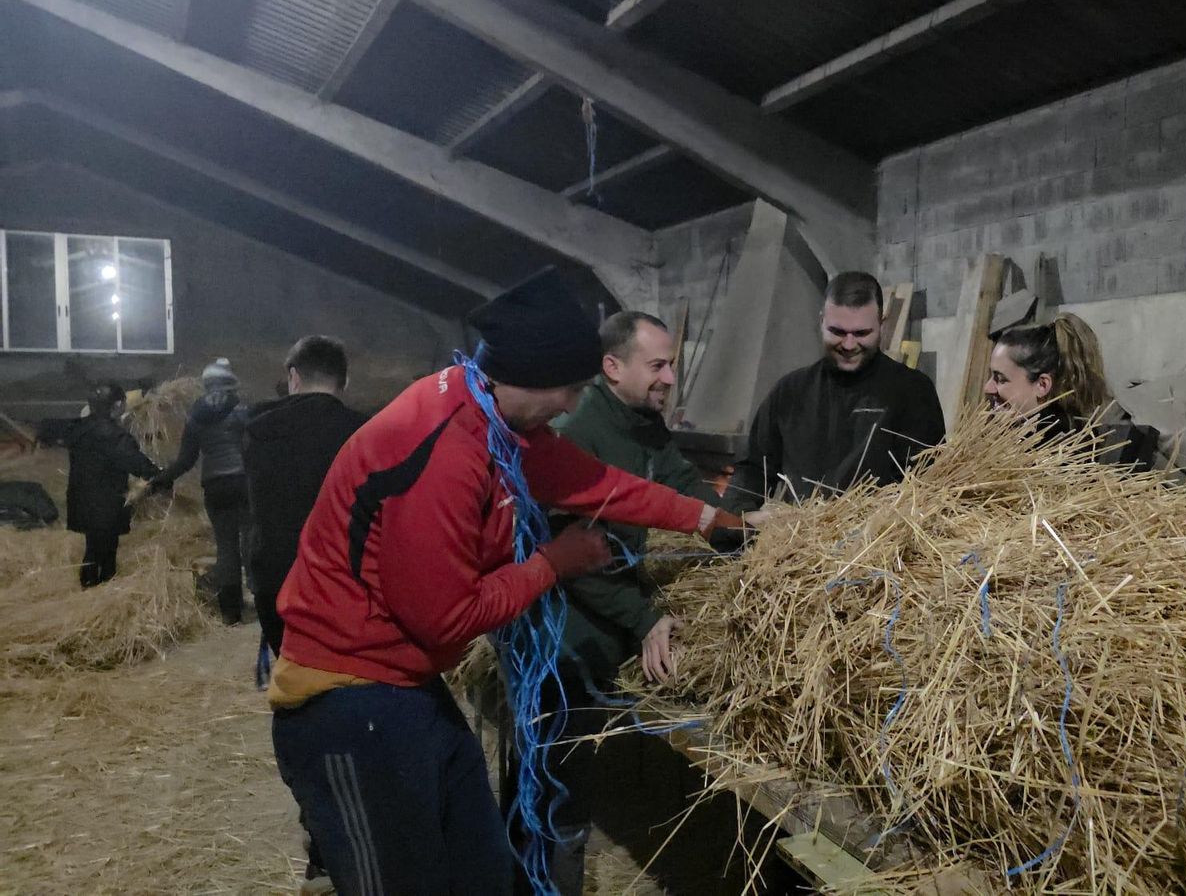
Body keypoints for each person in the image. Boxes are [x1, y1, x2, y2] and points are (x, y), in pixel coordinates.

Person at [267, 278, 748, 896]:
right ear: (530, 377)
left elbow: (597, 483)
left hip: (406, 683)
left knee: (484, 869)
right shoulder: (443, 453)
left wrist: (707, 518)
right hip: (348, 697)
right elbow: (446, 618)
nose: (572, 406)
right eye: (571, 389)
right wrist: (553, 563)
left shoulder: (491, 416)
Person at [541, 310, 721, 894]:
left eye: (671, 364)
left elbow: (683, 484)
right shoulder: (578, 433)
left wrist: (748, 529)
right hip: (567, 631)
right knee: (559, 773)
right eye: (658, 365)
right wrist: (644, 619)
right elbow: (572, 556)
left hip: (610, 610)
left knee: (584, 760)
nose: (670, 377)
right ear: (613, 367)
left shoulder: (643, 422)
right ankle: (549, 881)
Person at [725, 271, 945, 512]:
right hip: (799, 533)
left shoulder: (913, 392)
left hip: (878, 533)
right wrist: (738, 516)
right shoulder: (790, 392)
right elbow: (753, 469)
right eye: (838, 332)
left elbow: (927, 486)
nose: (849, 345)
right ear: (821, 322)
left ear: (882, 325)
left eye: (861, 333)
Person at [243, 336, 367, 658]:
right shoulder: (365, 433)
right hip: (342, 582)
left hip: (275, 579)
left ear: (294, 377)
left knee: (293, 671)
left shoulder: (256, 432)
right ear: (345, 381)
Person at [984, 315, 1160, 469]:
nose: (987, 388)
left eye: (1000, 379)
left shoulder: (1053, 450)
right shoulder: (1053, 432)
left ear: (1042, 385)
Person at [151, 358, 252, 623]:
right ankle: (261, 598)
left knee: (226, 547)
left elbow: (185, 461)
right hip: (244, 483)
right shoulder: (243, 411)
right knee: (251, 540)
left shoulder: (196, 416)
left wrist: (159, 480)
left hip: (215, 485)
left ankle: (230, 610)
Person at [60, 383, 161, 588]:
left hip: (81, 499)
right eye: (123, 402)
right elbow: (136, 463)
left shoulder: (77, 429)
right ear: (116, 405)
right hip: (105, 503)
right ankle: (103, 587)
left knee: (92, 547)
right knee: (106, 551)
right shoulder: (114, 436)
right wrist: (160, 476)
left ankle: (89, 586)